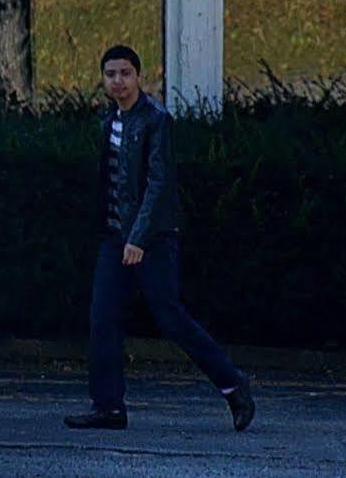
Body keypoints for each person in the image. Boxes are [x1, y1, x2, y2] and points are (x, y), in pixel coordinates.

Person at [63, 44, 254, 433]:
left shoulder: (156, 120)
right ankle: (108, 407)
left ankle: (234, 386)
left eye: (125, 73)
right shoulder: (110, 121)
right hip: (116, 237)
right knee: (103, 319)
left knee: (171, 319)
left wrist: (139, 238)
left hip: (152, 239)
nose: (117, 81)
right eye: (110, 74)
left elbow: (159, 184)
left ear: (139, 78)